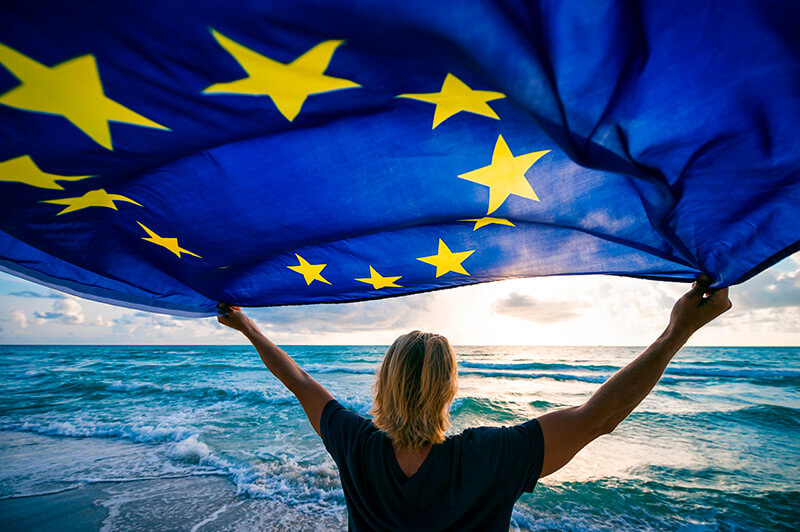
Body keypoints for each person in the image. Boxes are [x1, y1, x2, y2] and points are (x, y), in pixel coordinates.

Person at [216, 275, 731, 531]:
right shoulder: (492, 454)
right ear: (449, 389)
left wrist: (248, 327)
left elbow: (299, 379)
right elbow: (598, 416)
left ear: (384, 383)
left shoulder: (355, 443)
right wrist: (677, 331)